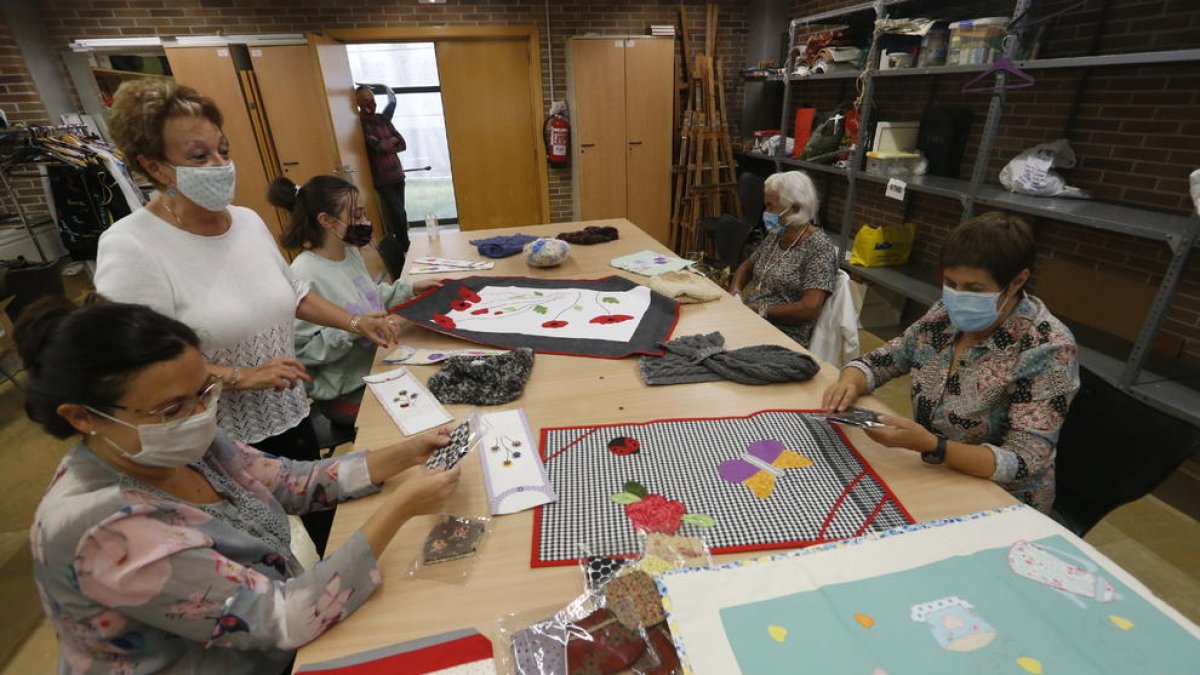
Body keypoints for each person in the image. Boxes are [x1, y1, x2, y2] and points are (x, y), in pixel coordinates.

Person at [17, 298, 461, 675]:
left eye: (205, 392)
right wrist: (400, 508)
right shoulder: (100, 531)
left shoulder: (177, 444)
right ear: (82, 417)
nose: (198, 416)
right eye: (172, 409)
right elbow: (284, 618)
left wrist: (406, 453)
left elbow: (291, 480)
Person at [94, 79, 401, 554]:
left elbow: (294, 294)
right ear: (153, 166)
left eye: (222, 150)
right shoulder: (132, 246)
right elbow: (139, 367)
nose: (219, 166)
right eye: (198, 157)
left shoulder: (248, 222)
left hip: (292, 410)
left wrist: (357, 322)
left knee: (320, 518)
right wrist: (239, 376)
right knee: (256, 547)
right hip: (212, 438)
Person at [823, 212, 1080, 512]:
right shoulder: (943, 315)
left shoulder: (1049, 347)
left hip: (1000, 499)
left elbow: (1023, 462)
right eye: (950, 283)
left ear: (1017, 281)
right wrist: (849, 381)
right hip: (936, 469)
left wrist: (934, 446)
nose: (957, 297)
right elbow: (884, 359)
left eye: (974, 289)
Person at [268, 174, 438, 427]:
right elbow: (303, 352)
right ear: (326, 220)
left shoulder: (350, 254)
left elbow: (369, 299)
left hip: (378, 365)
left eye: (363, 214)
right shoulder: (304, 274)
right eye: (356, 216)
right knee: (424, 415)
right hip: (347, 389)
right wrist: (354, 328)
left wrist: (410, 289)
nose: (364, 222)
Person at [729, 170, 839, 348]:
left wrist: (760, 310)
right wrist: (735, 290)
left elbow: (809, 308)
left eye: (770, 206)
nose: (765, 212)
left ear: (795, 208)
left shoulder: (818, 247)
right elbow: (746, 267)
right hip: (752, 318)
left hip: (784, 335)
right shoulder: (777, 235)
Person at [355, 83, 408, 248]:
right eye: (365, 100)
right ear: (357, 103)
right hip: (383, 179)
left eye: (372, 99)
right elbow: (378, 147)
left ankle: (403, 244)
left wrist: (388, 143)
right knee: (397, 214)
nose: (370, 103)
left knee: (400, 213)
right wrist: (389, 142)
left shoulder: (382, 119)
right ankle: (404, 246)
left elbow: (402, 143)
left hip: (398, 174)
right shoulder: (360, 124)